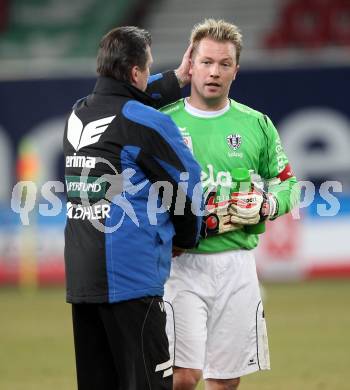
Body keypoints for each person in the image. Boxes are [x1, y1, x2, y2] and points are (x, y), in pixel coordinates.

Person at [161, 19, 300, 390]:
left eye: (224, 64)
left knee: (225, 381)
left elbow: (290, 186)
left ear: (235, 71)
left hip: (236, 266)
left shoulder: (256, 124)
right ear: (190, 64)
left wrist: (267, 204)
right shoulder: (163, 122)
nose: (214, 72)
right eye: (206, 62)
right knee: (182, 377)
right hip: (179, 266)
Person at [63, 26, 203, 390]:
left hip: (83, 279)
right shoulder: (146, 122)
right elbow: (186, 181)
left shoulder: (78, 115)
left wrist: (177, 79)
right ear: (136, 73)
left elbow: (124, 102)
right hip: (131, 280)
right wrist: (188, 236)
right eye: (148, 67)